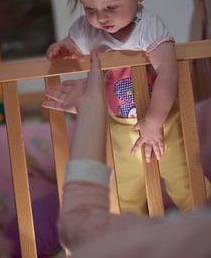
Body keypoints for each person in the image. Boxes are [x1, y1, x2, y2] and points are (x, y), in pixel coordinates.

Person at [42, 0, 210, 215]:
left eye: (110, 7)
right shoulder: (88, 28)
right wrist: (65, 47)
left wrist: (154, 120)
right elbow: (76, 44)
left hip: (164, 121)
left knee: (184, 179)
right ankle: (133, 234)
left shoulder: (149, 28)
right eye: (89, 8)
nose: (101, 18)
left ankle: (201, 224)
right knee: (125, 190)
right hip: (120, 125)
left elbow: (168, 74)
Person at [57, 51, 211, 258]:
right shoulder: (95, 44)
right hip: (121, 132)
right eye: (92, 16)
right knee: (124, 196)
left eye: (111, 14)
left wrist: (91, 110)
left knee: (188, 186)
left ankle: (195, 212)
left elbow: (79, 226)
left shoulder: (149, 34)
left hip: (164, 127)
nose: (102, 18)